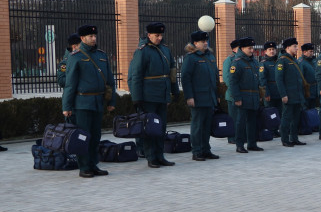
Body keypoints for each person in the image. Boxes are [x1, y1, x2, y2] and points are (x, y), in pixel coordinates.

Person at [61, 25, 116, 178]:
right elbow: (70, 84)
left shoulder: (102, 55)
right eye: (90, 36)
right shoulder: (75, 56)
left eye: (94, 36)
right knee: (83, 136)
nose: (94, 38)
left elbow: (110, 81)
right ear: (82, 38)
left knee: (95, 136)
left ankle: (93, 164)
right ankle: (84, 167)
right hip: (82, 102)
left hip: (98, 100)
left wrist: (111, 100)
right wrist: (67, 106)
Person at [128, 22, 179, 168]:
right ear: (149, 35)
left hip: (162, 95)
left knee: (161, 127)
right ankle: (151, 157)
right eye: (156, 35)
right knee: (150, 128)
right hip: (148, 95)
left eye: (161, 35)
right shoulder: (142, 51)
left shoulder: (165, 50)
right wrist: (137, 98)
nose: (159, 38)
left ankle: (160, 155)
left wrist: (174, 91)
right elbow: (136, 75)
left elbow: (172, 73)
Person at [181, 30, 220, 160]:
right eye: (202, 41)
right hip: (197, 97)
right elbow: (186, 79)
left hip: (209, 97)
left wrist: (217, 94)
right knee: (197, 125)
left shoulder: (210, 56)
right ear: (195, 43)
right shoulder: (190, 58)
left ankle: (205, 149)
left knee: (207, 125)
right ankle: (196, 151)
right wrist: (189, 96)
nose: (205, 43)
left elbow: (215, 78)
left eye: (206, 41)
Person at [227, 37, 264, 153]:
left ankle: (252, 143)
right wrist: (237, 98)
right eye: (249, 48)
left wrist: (260, 94)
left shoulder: (254, 61)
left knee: (252, 121)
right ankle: (239, 145)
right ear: (242, 48)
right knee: (241, 122)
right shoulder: (237, 62)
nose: (252, 50)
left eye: (252, 48)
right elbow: (233, 82)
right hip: (243, 97)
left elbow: (257, 80)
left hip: (253, 96)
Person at [276, 37, 307, 146]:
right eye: (294, 46)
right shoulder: (282, 61)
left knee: (296, 118)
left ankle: (294, 138)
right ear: (288, 47)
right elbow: (279, 80)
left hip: (297, 94)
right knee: (287, 117)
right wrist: (283, 94)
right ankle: (285, 139)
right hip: (288, 94)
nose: (297, 49)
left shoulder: (294, 60)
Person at [222, 39, 241, 144]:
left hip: (242, 93)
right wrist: (235, 91)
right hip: (232, 94)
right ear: (234, 49)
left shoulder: (242, 59)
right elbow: (227, 78)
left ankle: (240, 136)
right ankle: (232, 137)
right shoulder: (229, 60)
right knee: (233, 117)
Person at [298, 43, 318, 109]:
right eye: (310, 51)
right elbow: (300, 78)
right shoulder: (301, 62)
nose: (312, 53)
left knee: (312, 110)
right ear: (304, 52)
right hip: (306, 90)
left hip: (314, 90)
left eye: (312, 51)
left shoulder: (313, 61)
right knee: (305, 110)